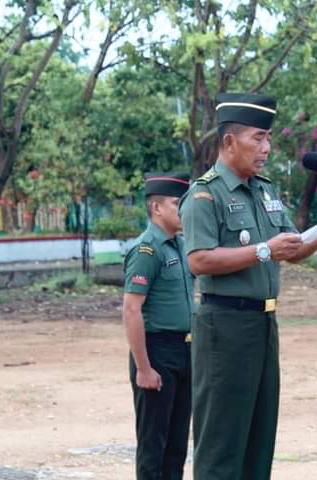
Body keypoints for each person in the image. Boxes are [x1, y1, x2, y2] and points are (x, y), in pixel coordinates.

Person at [179, 92, 317, 480]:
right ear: (229, 142)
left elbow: (289, 248)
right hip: (223, 326)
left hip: (263, 325)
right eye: (258, 138)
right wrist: (261, 251)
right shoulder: (204, 194)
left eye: (268, 139)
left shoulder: (265, 190)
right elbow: (198, 259)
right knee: (222, 441)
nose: (266, 148)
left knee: (259, 439)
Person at [122, 172, 194, 480]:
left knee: (177, 445)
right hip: (157, 352)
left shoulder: (179, 245)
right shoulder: (146, 249)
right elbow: (131, 309)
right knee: (153, 444)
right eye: (179, 204)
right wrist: (143, 367)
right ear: (157, 208)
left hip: (185, 350)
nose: (184, 211)